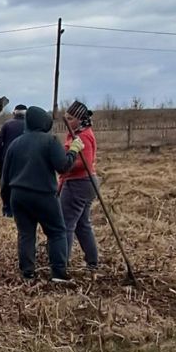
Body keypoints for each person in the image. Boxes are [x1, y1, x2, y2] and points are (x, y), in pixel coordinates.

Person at [0, 106, 84, 282]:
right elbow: (63, 166)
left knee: (26, 234)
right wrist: (74, 150)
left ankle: (27, 273)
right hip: (44, 195)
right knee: (57, 232)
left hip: (19, 197)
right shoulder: (50, 141)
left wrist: (6, 203)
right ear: (44, 122)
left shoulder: (15, 144)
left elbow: (4, 177)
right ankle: (59, 274)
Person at [59, 101, 99, 273]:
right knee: (82, 224)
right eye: (66, 117)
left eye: (70, 118)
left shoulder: (82, 136)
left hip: (78, 183)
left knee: (66, 223)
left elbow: (85, 163)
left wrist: (63, 163)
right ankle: (92, 261)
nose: (67, 120)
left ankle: (62, 263)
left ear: (80, 119)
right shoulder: (77, 134)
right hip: (85, 183)